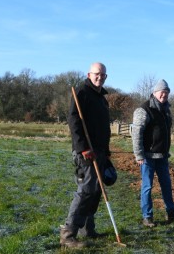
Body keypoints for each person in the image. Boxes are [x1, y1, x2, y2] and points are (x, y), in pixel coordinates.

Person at [61, 62, 111, 248]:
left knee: (95, 191)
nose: (100, 77)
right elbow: (74, 121)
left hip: (99, 151)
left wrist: (105, 151)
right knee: (86, 191)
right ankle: (68, 234)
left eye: (103, 75)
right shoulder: (82, 92)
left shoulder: (102, 98)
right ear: (89, 74)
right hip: (86, 151)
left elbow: (102, 128)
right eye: (97, 74)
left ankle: (87, 229)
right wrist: (83, 147)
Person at [131, 79, 174, 228]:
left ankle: (171, 212)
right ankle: (147, 216)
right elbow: (136, 133)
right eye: (161, 92)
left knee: (166, 184)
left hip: (162, 156)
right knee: (147, 186)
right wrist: (138, 155)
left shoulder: (166, 110)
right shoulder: (143, 110)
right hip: (147, 156)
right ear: (154, 93)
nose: (164, 95)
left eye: (166, 92)